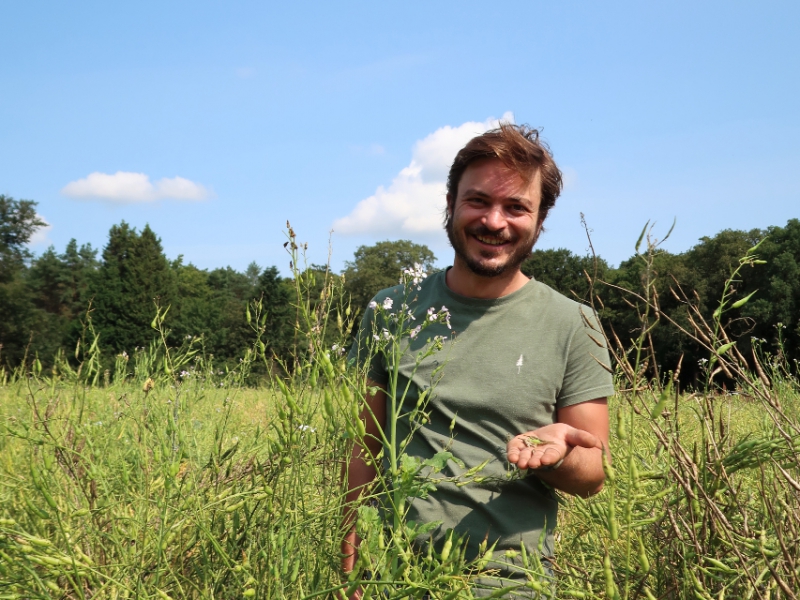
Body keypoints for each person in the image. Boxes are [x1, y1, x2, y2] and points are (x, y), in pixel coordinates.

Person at [343, 123, 614, 594]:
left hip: (509, 582)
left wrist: (557, 455)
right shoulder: (391, 310)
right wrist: (350, 570)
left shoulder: (574, 324)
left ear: (540, 220)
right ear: (449, 205)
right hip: (393, 575)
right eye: (478, 201)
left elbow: (594, 474)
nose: (494, 221)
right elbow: (364, 447)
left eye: (516, 207)